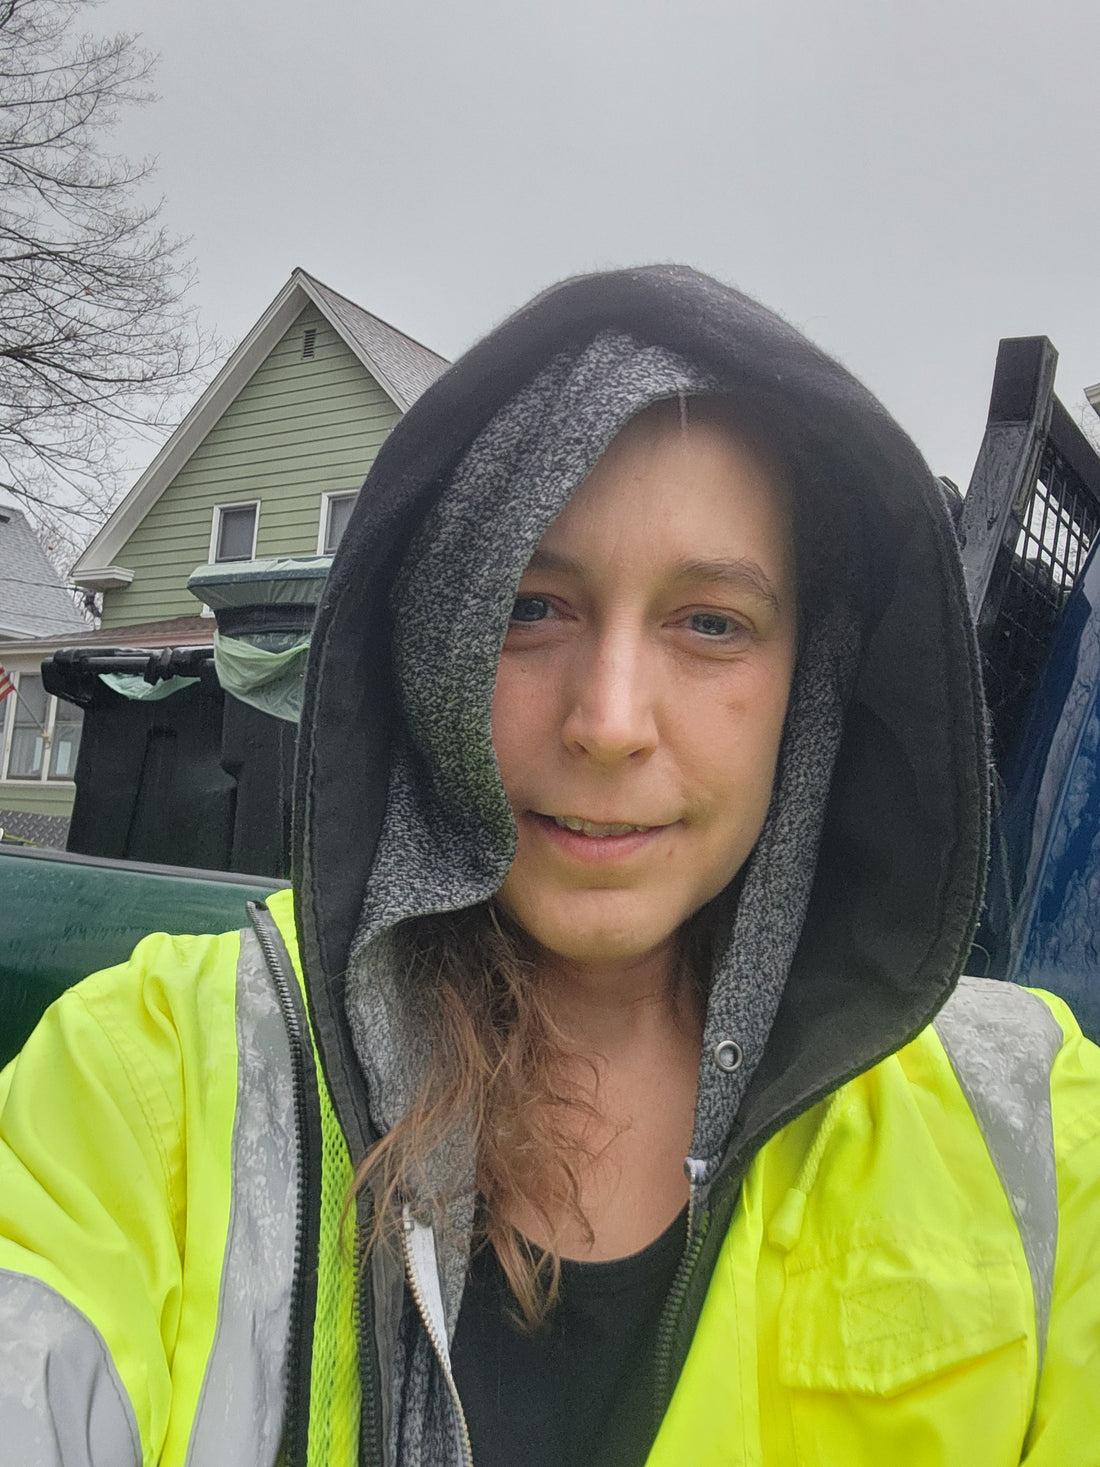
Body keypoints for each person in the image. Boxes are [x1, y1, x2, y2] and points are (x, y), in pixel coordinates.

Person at [1, 265, 1098, 1467]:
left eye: (710, 624)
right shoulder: (148, 1085)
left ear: (809, 688)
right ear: (430, 641)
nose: (610, 719)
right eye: (530, 607)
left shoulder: (1035, 1141)